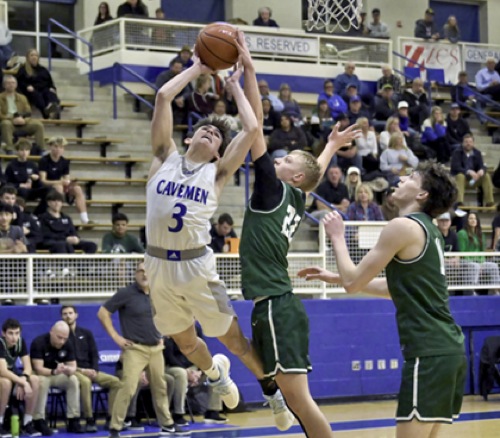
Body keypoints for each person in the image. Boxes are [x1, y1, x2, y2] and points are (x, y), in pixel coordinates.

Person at [144, 32, 293, 432]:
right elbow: (163, 97)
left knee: (235, 341)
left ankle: (272, 392)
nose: (211, 134)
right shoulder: (163, 158)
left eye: (217, 137)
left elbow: (253, 127)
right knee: (185, 342)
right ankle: (216, 375)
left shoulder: (217, 173)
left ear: (218, 152)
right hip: (157, 266)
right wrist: (197, 67)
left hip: (196, 268)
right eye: (205, 130)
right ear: (188, 137)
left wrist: (237, 83)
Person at [238, 32, 359, 438]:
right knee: (295, 400)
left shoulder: (272, 189)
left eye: (287, 158)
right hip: (276, 304)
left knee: (300, 401)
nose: (279, 157)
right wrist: (330, 146)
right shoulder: (297, 196)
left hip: (276, 304)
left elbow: (255, 126)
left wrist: (249, 71)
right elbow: (313, 173)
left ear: (293, 177)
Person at [298, 161, 466, 438]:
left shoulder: (402, 226)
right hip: (448, 350)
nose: (401, 179)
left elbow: (353, 283)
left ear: (422, 194)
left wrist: (337, 237)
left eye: (411, 177)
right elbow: (394, 287)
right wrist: (336, 277)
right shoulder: (429, 229)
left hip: (429, 352)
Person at [97, 262, 188, 437]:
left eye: (148, 271)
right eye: (140, 271)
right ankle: (115, 426)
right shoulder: (126, 293)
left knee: (160, 387)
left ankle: (167, 424)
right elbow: (102, 313)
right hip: (135, 349)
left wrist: (162, 334)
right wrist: (116, 337)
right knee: (128, 387)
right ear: (135, 274)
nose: (144, 274)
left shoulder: (158, 293)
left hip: (156, 349)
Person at [61, 306, 122, 433]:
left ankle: (111, 418)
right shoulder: (61, 336)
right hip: (74, 371)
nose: (68, 316)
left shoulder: (86, 333)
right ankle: (89, 419)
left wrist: (94, 369)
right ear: (62, 317)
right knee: (86, 382)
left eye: (70, 313)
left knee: (116, 382)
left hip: (90, 370)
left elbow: (94, 354)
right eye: (65, 314)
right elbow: (63, 362)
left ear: (76, 315)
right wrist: (82, 371)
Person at [31, 321, 84, 435]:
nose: (62, 341)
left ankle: (73, 419)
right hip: (42, 374)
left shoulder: (67, 343)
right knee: (42, 382)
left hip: (57, 374)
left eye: (65, 338)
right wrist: (54, 371)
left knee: (73, 380)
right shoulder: (39, 342)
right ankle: (39, 420)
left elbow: (73, 366)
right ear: (51, 332)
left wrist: (69, 369)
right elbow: (38, 368)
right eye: (59, 337)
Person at [39, 137, 93, 225]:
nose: (58, 149)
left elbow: (66, 178)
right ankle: (57, 215)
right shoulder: (44, 160)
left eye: (61, 147)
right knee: (59, 187)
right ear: (50, 147)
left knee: (77, 189)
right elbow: (43, 180)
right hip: (47, 187)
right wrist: (59, 182)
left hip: (59, 185)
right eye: (56, 146)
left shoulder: (64, 161)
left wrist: (70, 183)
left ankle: (85, 219)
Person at [0, 318, 40, 437]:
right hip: (3, 374)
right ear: (3, 333)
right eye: (10, 333)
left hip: (12, 373)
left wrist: (23, 379)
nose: (14, 337)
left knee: (35, 379)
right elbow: (3, 371)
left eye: (17, 333)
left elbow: (28, 367)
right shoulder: (0, 344)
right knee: (6, 383)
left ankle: (27, 422)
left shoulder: (20, 342)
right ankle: (0, 422)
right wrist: (23, 383)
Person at [0, 75, 46, 154]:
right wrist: (12, 119)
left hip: (22, 122)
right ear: (4, 85)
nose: (11, 85)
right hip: (8, 122)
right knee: (5, 124)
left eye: (13, 83)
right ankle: (10, 149)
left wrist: (24, 120)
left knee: (38, 125)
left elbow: (28, 112)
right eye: (8, 83)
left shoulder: (22, 97)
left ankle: (41, 149)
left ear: (16, 85)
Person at [457, 212, 500, 295]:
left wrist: (481, 263)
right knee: (475, 266)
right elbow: (462, 252)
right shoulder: (461, 233)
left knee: (493, 266)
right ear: (467, 221)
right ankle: (471, 291)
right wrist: (477, 263)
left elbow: (482, 252)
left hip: (478, 261)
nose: (473, 220)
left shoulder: (481, 234)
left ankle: (495, 291)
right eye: (471, 218)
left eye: (475, 218)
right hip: (465, 261)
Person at [450, 133, 494, 207]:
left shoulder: (477, 153)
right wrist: (468, 171)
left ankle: (489, 202)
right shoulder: (457, 153)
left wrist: (482, 170)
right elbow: (456, 167)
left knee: (486, 175)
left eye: (470, 142)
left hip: (473, 180)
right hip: (461, 181)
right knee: (460, 176)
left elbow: (482, 165)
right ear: (462, 143)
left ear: (473, 143)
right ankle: (459, 202)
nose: (468, 144)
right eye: (466, 142)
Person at [16, 49, 60, 119]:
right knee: (37, 95)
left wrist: (52, 88)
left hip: (44, 89)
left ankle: (53, 108)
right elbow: (19, 82)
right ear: (27, 57)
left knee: (51, 93)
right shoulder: (23, 70)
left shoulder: (43, 70)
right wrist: (26, 86)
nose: (34, 57)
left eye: (36, 55)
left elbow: (50, 83)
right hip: (30, 90)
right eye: (32, 55)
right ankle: (46, 113)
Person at [5, 139, 50, 204]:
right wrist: (20, 185)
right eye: (22, 150)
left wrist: (37, 179)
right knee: (23, 190)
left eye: (26, 150)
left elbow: (39, 185)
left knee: (49, 190)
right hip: (18, 191)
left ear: (29, 152)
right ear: (17, 151)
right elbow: (7, 183)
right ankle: (21, 208)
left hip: (31, 191)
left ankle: (40, 210)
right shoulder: (11, 165)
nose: (24, 152)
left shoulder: (33, 165)